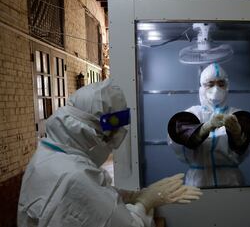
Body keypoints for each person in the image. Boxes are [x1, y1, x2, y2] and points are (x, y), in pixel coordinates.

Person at [18, 79, 202, 227]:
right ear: (92, 131)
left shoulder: (51, 153)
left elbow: (95, 193)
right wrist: (146, 202)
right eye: (109, 137)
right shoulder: (72, 177)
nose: (110, 144)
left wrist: (135, 195)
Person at [168, 63, 250, 188]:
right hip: (198, 181)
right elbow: (177, 140)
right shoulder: (191, 114)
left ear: (227, 86)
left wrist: (238, 135)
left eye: (221, 84)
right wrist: (204, 128)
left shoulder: (237, 115)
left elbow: (244, 147)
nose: (216, 89)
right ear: (202, 87)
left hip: (230, 180)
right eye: (210, 84)